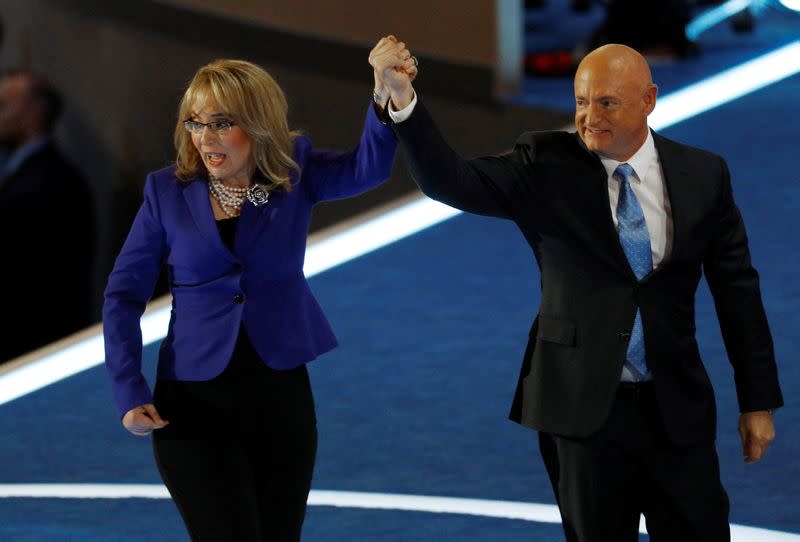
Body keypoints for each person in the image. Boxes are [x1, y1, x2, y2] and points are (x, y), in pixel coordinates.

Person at [371, 40, 782, 541]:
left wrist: (756, 400)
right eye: (581, 102)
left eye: (606, 103)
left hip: (675, 408)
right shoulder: (545, 164)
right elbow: (449, 181)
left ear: (648, 100)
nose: (589, 117)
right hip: (582, 413)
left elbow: (737, 289)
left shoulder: (703, 174)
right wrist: (403, 102)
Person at [103, 48, 416, 542]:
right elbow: (123, 295)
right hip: (192, 404)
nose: (205, 138)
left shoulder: (295, 174)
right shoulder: (166, 192)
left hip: (280, 400)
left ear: (258, 123)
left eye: (221, 123)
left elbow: (368, 169)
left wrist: (385, 94)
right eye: (195, 123)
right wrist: (128, 389)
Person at [0, 70, 95, 363]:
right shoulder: (37, 177)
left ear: (34, 112)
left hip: (32, 353)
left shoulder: (46, 183)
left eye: (3, 106)